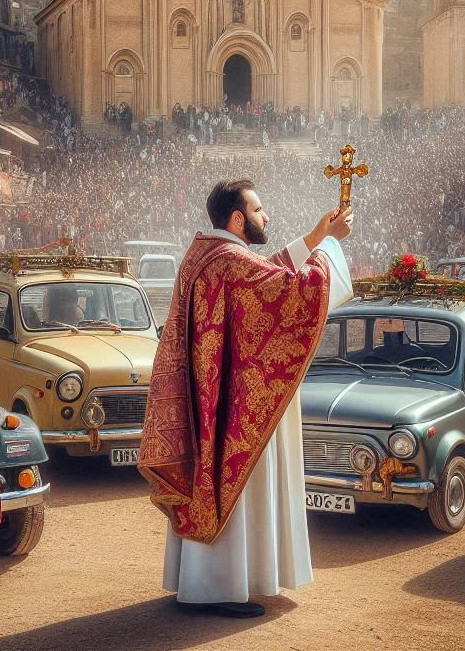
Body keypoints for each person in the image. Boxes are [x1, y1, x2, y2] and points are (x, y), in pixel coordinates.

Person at [140, 179, 353, 619]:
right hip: (229, 402)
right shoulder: (229, 262)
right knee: (227, 483)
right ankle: (219, 586)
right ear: (237, 219)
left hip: (210, 395)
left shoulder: (206, 254)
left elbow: (268, 271)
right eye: (259, 210)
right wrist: (330, 247)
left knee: (210, 480)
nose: (266, 216)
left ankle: (202, 581)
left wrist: (314, 237)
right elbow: (291, 290)